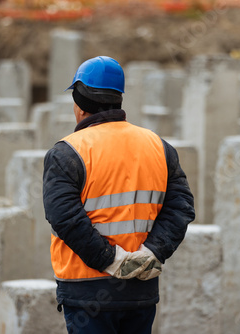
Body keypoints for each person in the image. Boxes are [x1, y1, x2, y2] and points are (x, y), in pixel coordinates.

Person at [43, 56, 195, 334]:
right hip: (140, 288)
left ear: (79, 103)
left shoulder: (67, 152)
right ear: (118, 99)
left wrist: (110, 260)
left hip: (87, 291)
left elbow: (64, 218)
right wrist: (152, 253)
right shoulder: (158, 146)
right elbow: (181, 207)